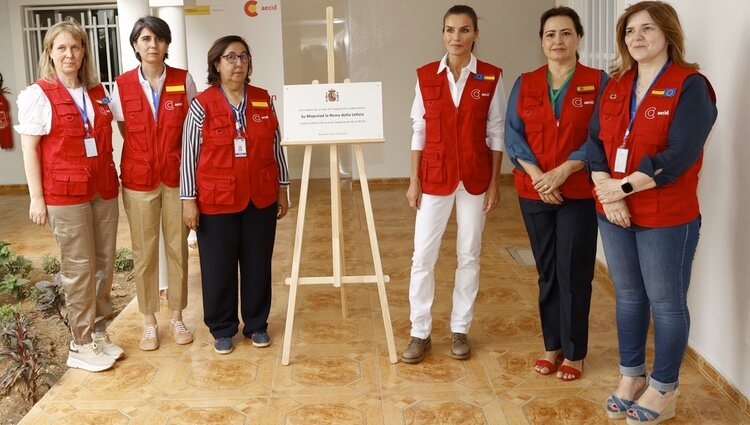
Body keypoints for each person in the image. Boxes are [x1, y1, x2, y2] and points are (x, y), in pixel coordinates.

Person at [586, 2, 717, 423]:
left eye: (647, 29)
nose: (636, 38)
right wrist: (612, 197)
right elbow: (595, 143)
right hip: (615, 212)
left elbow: (679, 155)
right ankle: (632, 376)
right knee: (627, 297)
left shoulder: (690, 85)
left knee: (666, 303)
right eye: (629, 31)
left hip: (666, 214)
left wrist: (620, 188)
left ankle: (664, 387)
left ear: (668, 34)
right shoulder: (615, 83)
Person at [15, 19, 123, 372]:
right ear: (50, 52)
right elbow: (30, 149)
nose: (69, 54)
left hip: (102, 187)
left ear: (84, 52)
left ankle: (99, 333)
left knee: (104, 262)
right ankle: (79, 343)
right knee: (79, 268)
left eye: (75, 47)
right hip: (65, 193)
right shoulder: (37, 94)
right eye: (61, 47)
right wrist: (36, 198)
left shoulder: (96, 91)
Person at [505, 6, 606, 381]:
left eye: (565, 33)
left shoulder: (598, 81)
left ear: (578, 38)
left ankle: (575, 352)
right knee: (547, 272)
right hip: (535, 192)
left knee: (574, 272)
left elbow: (600, 135)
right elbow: (514, 136)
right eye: (550, 34)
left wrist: (564, 169)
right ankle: (553, 345)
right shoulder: (526, 81)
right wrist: (538, 178)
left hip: (577, 190)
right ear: (541, 41)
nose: (557, 41)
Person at [402, 5, 505, 364]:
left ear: (476, 33)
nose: (456, 38)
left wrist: (494, 183)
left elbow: (495, 132)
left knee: (469, 254)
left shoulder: (491, 77)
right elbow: (419, 129)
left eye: (463, 30)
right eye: (449, 30)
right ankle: (420, 332)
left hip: (475, 180)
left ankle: (461, 328)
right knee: (423, 257)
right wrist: (414, 180)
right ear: (442, 33)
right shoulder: (426, 75)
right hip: (434, 177)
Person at [181, 35, 289, 354]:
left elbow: (275, 147)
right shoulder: (202, 104)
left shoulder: (262, 99)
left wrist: (283, 188)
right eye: (230, 57)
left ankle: (256, 325)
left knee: (257, 263)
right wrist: (189, 200)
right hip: (215, 201)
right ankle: (223, 327)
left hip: (260, 197)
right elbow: (188, 155)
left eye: (243, 57)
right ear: (217, 64)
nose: (238, 63)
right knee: (218, 266)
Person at [109, 16, 197, 351]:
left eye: (159, 39)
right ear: (135, 45)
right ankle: (148, 321)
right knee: (144, 253)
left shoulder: (182, 80)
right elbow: (124, 131)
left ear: (166, 45)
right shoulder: (122, 84)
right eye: (145, 39)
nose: (152, 45)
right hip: (139, 180)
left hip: (176, 177)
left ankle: (176, 316)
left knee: (178, 249)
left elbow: (190, 132)